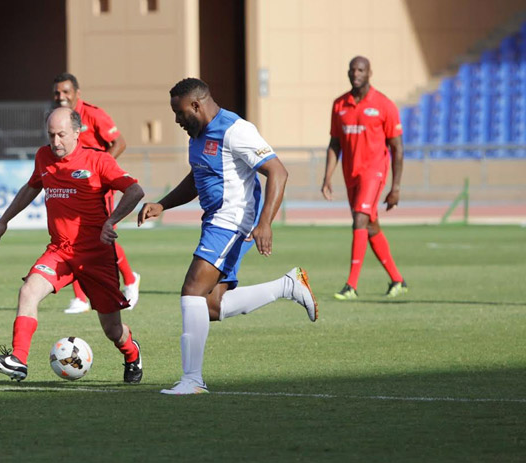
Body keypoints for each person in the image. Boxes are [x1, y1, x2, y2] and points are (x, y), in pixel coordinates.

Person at [137, 78, 317, 395]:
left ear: (196, 105)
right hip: (215, 222)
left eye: (179, 112)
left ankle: (192, 380)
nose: (176, 120)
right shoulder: (197, 136)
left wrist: (265, 223)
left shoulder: (236, 130)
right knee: (210, 306)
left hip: (231, 221)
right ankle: (287, 286)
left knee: (192, 290)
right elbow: (196, 178)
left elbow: (278, 171)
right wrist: (163, 204)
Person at [0, 107, 145, 383]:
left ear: (77, 132)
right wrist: (4, 220)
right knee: (28, 291)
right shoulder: (43, 156)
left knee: (113, 330)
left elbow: (135, 191)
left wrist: (112, 221)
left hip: (96, 255)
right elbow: (31, 187)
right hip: (60, 251)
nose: (55, 142)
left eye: (61, 135)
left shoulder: (98, 160)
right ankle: (18, 359)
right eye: (51, 135)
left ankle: (132, 354)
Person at [51, 72, 141, 314]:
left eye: (66, 91)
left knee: (100, 236)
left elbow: (119, 142)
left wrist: (98, 172)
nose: (61, 96)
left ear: (77, 93)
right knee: (70, 237)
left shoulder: (93, 114)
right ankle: (81, 298)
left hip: (94, 187)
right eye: (57, 92)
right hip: (70, 186)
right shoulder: (57, 119)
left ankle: (129, 279)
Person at [321, 56, 407, 299]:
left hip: (374, 171)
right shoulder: (339, 104)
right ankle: (398, 280)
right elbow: (335, 143)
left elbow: (398, 148)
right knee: (370, 226)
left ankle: (351, 285)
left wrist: (395, 187)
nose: (356, 73)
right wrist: (327, 177)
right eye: (352, 69)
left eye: (361, 70)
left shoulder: (384, 105)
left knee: (360, 219)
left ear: (370, 73)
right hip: (351, 174)